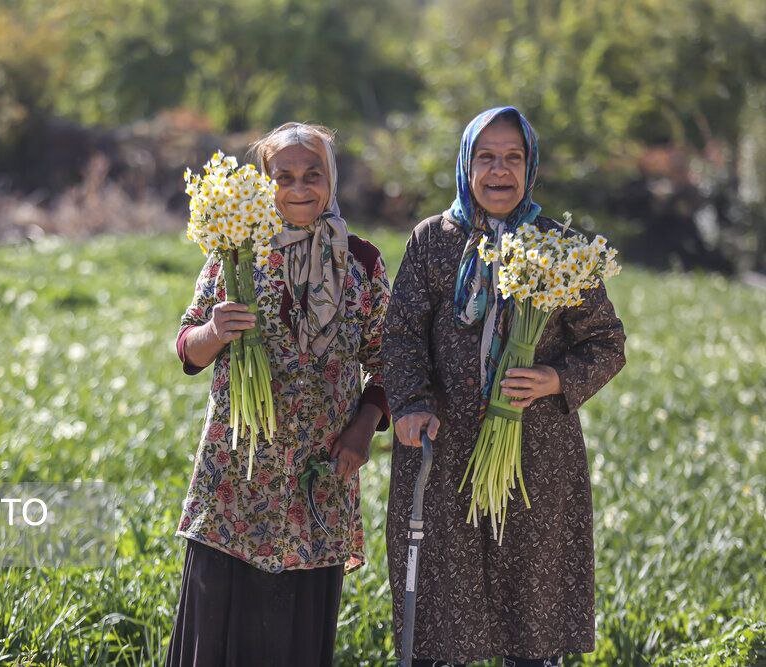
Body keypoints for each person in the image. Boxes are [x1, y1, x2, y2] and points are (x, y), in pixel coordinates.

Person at [382, 107, 626, 666]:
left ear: (530, 166)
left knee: (532, 615)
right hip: (442, 448)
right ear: (466, 165)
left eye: (513, 157)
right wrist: (412, 403)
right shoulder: (433, 241)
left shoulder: (559, 248)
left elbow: (607, 343)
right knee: (441, 619)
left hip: (536, 455)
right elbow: (401, 335)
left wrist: (555, 378)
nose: (500, 170)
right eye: (486, 157)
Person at [166, 122, 392, 667]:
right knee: (219, 632)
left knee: (295, 636)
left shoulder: (361, 262)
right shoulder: (235, 250)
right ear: (263, 183)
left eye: (313, 174)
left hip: (320, 475)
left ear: (332, 180)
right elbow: (188, 349)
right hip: (236, 477)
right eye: (283, 177)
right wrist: (216, 331)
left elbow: (388, 361)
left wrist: (362, 430)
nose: (298, 188)